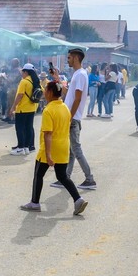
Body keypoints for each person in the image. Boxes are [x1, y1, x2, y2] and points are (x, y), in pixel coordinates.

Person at [21, 81, 88, 215]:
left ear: (51, 93)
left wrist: (48, 154)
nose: (44, 92)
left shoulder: (49, 110)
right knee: (62, 176)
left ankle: (34, 202)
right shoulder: (64, 108)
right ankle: (78, 199)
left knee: (38, 175)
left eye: (46, 90)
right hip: (63, 147)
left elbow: (48, 134)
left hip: (50, 149)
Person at [59, 47, 96, 190]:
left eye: (69, 58)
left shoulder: (80, 74)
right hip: (73, 117)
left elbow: (78, 98)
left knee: (76, 150)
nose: (67, 60)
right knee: (71, 150)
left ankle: (89, 179)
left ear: (75, 58)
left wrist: (70, 116)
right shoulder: (78, 74)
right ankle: (65, 177)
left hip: (73, 118)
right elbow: (71, 95)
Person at [10, 64, 41, 155]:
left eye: (22, 72)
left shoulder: (24, 82)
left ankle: (20, 148)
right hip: (32, 108)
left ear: (26, 72)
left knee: (19, 128)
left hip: (22, 109)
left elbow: (20, 95)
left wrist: (13, 106)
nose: (21, 74)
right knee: (28, 127)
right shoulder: (35, 81)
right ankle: (27, 147)